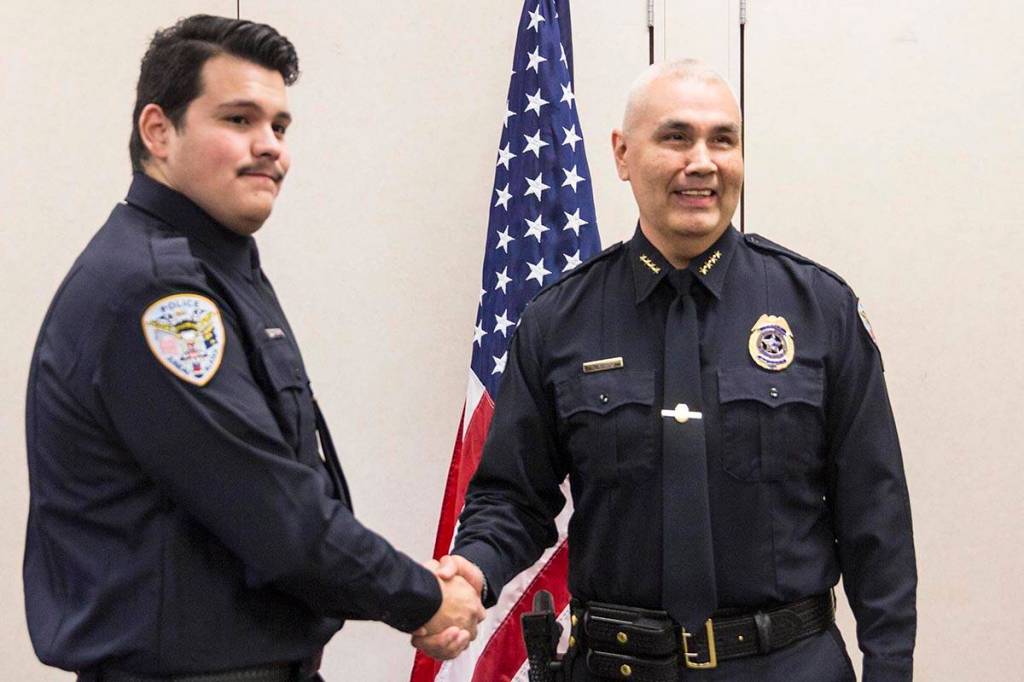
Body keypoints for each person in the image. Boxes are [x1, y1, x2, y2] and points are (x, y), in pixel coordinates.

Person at [24, 14, 483, 681]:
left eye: (280, 126)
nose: (270, 146)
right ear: (158, 132)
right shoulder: (159, 293)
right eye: (238, 120)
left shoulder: (215, 264)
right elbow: (274, 512)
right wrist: (423, 598)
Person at [437, 60, 916, 681]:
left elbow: (875, 518)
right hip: (617, 668)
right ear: (623, 153)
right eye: (676, 137)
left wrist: (890, 669)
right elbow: (513, 496)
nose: (703, 161)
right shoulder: (559, 321)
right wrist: (472, 569)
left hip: (787, 666)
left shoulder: (820, 310)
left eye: (724, 140)